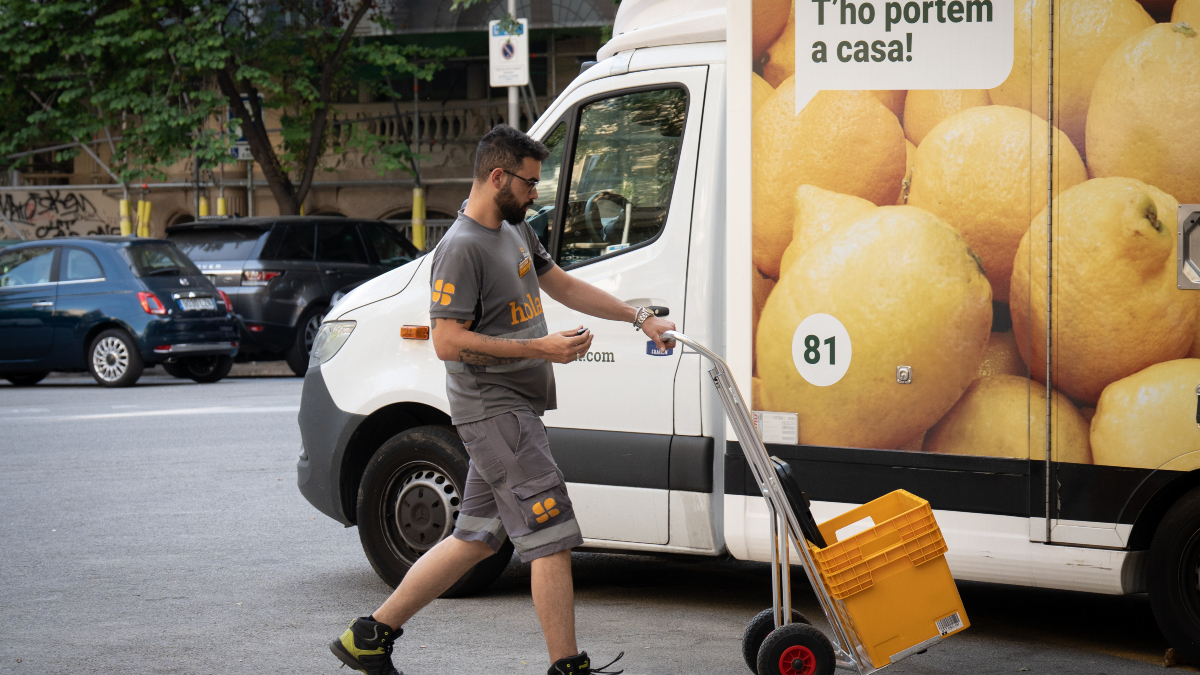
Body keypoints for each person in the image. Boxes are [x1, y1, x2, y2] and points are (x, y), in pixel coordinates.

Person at [329, 124, 677, 675]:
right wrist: (540, 347)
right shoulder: (461, 248)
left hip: (512, 410)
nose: (536, 192)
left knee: (475, 538)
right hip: (495, 413)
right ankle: (567, 666)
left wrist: (638, 317)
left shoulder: (515, 230)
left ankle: (368, 637)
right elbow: (447, 341)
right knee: (551, 534)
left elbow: (563, 284)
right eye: (530, 182)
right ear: (498, 177)